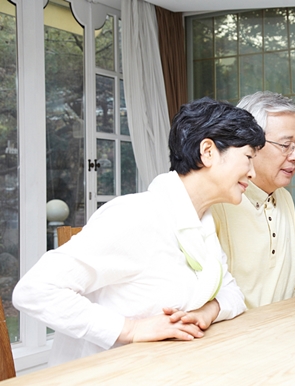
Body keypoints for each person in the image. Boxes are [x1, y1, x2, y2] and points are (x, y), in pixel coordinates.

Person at [13, 97, 265, 366]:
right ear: (208, 151)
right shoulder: (136, 217)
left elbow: (232, 294)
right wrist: (130, 330)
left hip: (165, 369)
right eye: (248, 157)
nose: (252, 173)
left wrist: (207, 311)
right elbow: (35, 290)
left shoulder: (200, 223)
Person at [211, 91, 295, 309]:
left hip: (282, 333)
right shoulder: (219, 203)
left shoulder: (285, 198)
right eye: (285, 145)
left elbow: (294, 285)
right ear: (251, 144)